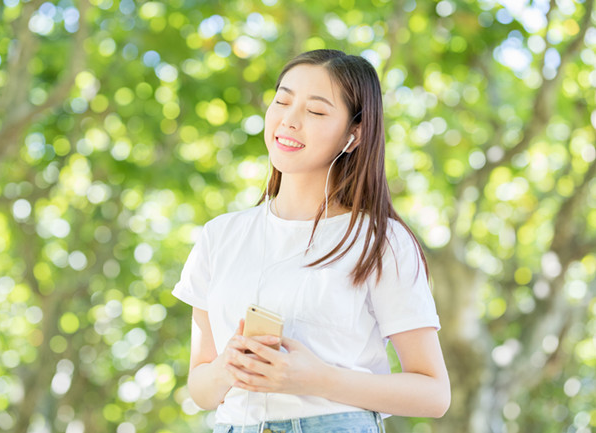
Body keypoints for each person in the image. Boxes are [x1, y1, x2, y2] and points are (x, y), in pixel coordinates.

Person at [172, 49, 450, 433]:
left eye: (316, 112)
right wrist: (226, 368)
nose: (289, 119)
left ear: (354, 136)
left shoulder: (379, 241)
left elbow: (434, 394)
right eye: (282, 101)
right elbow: (201, 390)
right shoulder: (220, 235)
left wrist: (317, 378)